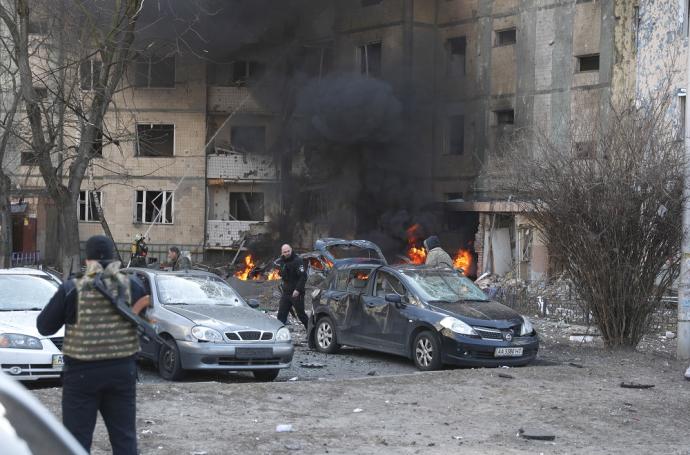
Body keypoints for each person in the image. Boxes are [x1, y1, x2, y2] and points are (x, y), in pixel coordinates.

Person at [37, 235, 150, 455]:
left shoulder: (72, 288)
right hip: (122, 372)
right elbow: (141, 321)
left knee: (76, 442)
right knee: (124, 438)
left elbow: (44, 327)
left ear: (87, 260)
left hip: (81, 374)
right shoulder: (134, 286)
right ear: (113, 257)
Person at [276, 244, 309, 329]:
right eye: (285, 252)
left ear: (291, 250)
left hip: (297, 293)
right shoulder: (282, 261)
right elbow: (283, 273)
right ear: (282, 252)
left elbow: (303, 276)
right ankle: (279, 335)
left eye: (288, 251)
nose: (287, 253)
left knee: (301, 315)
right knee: (281, 315)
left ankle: (311, 333)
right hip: (286, 293)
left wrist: (297, 290)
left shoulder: (297, 261)